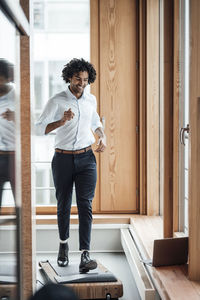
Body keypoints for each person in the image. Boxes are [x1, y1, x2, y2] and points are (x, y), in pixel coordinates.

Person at [36, 58, 106, 273]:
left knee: (85, 204)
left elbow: (95, 122)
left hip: (86, 159)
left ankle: (85, 253)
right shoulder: (57, 100)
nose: (82, 84)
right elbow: (39, 129)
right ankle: (63, 245)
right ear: (69, 77)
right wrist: (61, 121)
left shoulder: (90, 100)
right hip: (63, 159)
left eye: (85, 80)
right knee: (64, 203)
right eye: (78, 79)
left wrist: (102, 137)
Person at [0, 58, 15, 211]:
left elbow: (35, 127)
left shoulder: (19, 96)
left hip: (14, 157)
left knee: (21, 205)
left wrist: (16, 117)